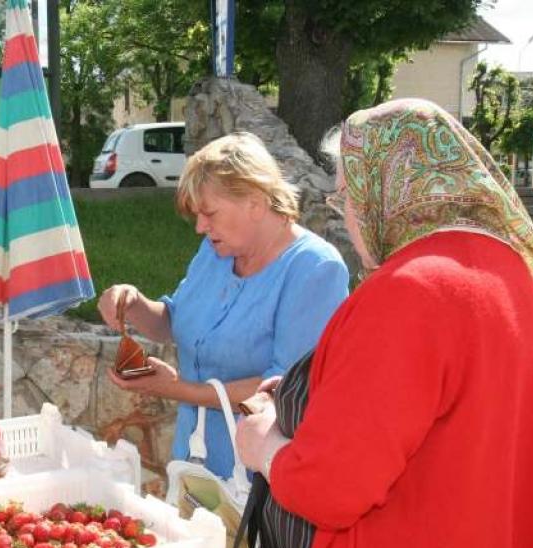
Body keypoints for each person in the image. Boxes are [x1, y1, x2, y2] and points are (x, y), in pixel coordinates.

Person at [238, 98, 533, 548]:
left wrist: (264, 445)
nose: (345, 212)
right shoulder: (504, 270)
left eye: (347, 193)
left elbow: (332, 489)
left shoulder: (410, 289)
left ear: (391, 184)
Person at [97, 132, 349, 483]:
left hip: (259, 481)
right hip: (194, 462)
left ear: (255, 202)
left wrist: (177, 389)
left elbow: (284, 392)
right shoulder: (217, 251)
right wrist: (134, 304)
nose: (200, 227)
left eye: (209, 213)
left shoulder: (315, 269)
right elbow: (175, 322)